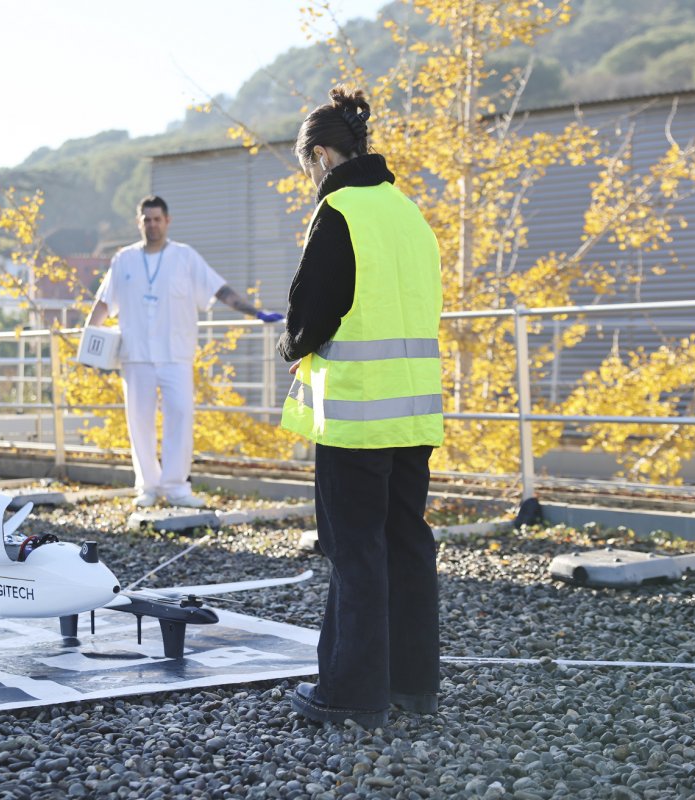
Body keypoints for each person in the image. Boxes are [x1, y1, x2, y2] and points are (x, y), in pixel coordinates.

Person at [277, 86, 444, 728]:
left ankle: (351, 693)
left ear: (321, 155)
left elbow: (310, 310)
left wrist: (295, 344)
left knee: (354, 549)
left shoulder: (339, 212)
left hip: (356, 416)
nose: (309, 181)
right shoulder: (409, 213)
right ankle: (413, 685)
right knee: (406, 540)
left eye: (306, 168)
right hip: (414, 413)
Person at [85, 195, 283, 508]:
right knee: (140, 422)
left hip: (175, 354)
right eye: (146, 219)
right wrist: (88, 342)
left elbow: (219, 289)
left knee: (179, 415)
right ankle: (148, 487)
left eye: (157, 219)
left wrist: (254, 312)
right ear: (140, 222)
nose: (152, 225)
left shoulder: (184, 257)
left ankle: (176, 487)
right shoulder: (124, 259)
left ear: (167, 221)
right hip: (136, 355)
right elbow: (105, 302)